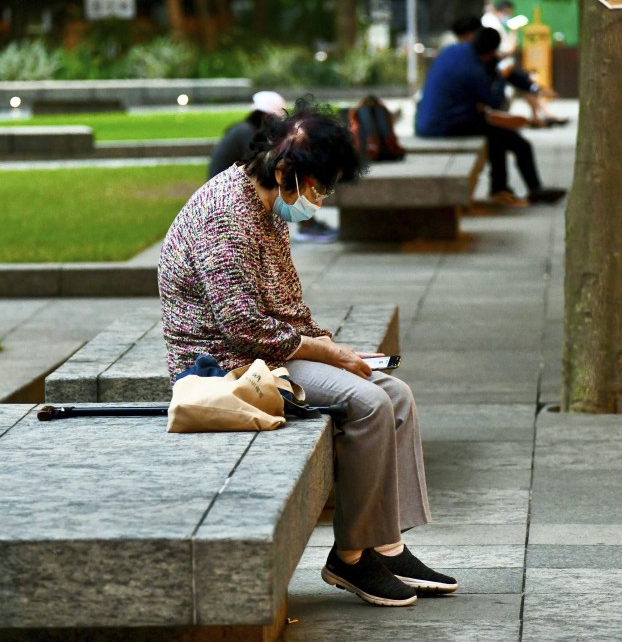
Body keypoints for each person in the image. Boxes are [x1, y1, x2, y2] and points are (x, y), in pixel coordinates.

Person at [159, 98, 458, 607]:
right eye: (319, 186)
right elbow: (242, 324)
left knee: (398, 395)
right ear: (285, 172)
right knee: (368, 404)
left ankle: (386, 544)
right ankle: (350, 558)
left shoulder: (266, 205)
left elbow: (286, 305)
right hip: (231, 365)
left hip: (269, 352)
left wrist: (333, 347)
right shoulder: (225, 217)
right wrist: (324, 351)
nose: (320, 198)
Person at [415, 27, 566, 207]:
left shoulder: (456, 50)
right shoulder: (473, 71)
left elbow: (501, 68)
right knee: (515, 142)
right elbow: (496, 102)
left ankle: (501, 189)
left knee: (497, 136)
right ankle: (524, 189)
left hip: (428, 121)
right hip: (442, 124)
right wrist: (501, 78)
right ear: (491, 51)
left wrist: (532, 87)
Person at [208, 91, 338, 244]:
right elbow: (263, 170)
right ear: (266, 117)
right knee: (287, 180)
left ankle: (307, 222)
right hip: (226, 199)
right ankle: (308, 225)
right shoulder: (247, 134)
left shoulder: (243, 129)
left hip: (229, 193)